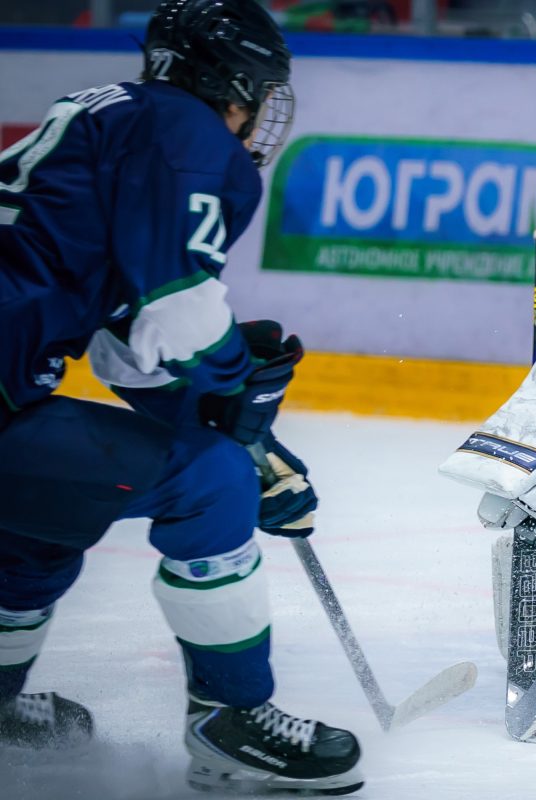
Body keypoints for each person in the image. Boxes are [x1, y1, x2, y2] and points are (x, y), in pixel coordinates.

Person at [0, 0, 362, 793]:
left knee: (47, 516)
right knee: (210, 481)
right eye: (259, 93)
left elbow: (127, 346)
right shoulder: (187, 132)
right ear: (234, 85)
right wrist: (235, 393)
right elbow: (179, 307)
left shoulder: (106, 114)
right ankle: (230, 721)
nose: (259, 114)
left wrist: (234, 422)